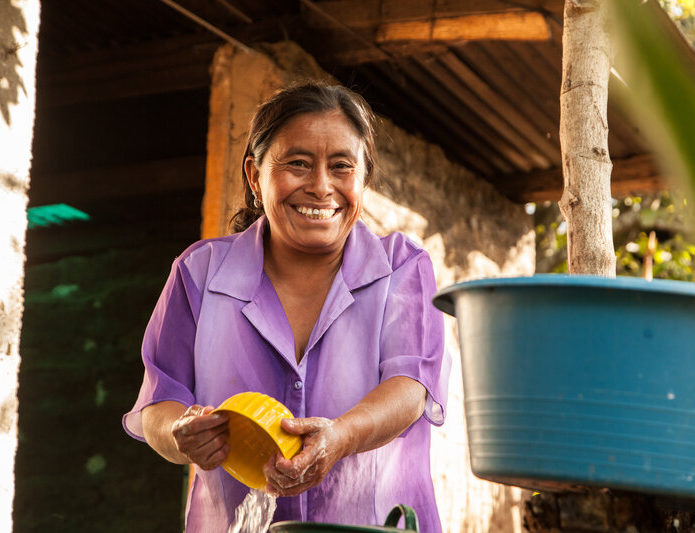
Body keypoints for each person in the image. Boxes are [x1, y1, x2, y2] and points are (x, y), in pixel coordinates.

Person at [123, 81, 450, 532]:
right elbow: (160, 403)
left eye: (341, 166)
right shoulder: (199, 273)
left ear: (363, 180)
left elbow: (411, 387)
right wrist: (183, 434)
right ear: (255, 176)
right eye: (298, 163)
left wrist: (341, 437)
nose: (320, 186)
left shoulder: (401, 268)